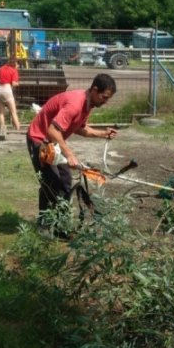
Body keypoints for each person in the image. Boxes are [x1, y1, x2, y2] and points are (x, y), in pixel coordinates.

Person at [25, 73, 118, 232]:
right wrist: (69, 155)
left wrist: (103, 133)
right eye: (104, 97)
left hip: (53, 141)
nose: (106, 101)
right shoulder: (75, 103)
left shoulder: (87, 104)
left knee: (65, 181)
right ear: (95, 90)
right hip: (39, 140)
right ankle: (44, 226)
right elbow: (52, 130)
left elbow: (80, 128)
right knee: (51, 182)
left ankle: (61, 223)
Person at [0, 57, 21, 131]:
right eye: (18, 64)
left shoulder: (0, 69)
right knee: (13, 112)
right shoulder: (14, 71)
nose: (18, 66)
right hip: (7, 89)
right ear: (15, 64)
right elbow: (14, 83)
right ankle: (18, 129)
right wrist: (18, 83)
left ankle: (2, 129)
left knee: (1, 112)